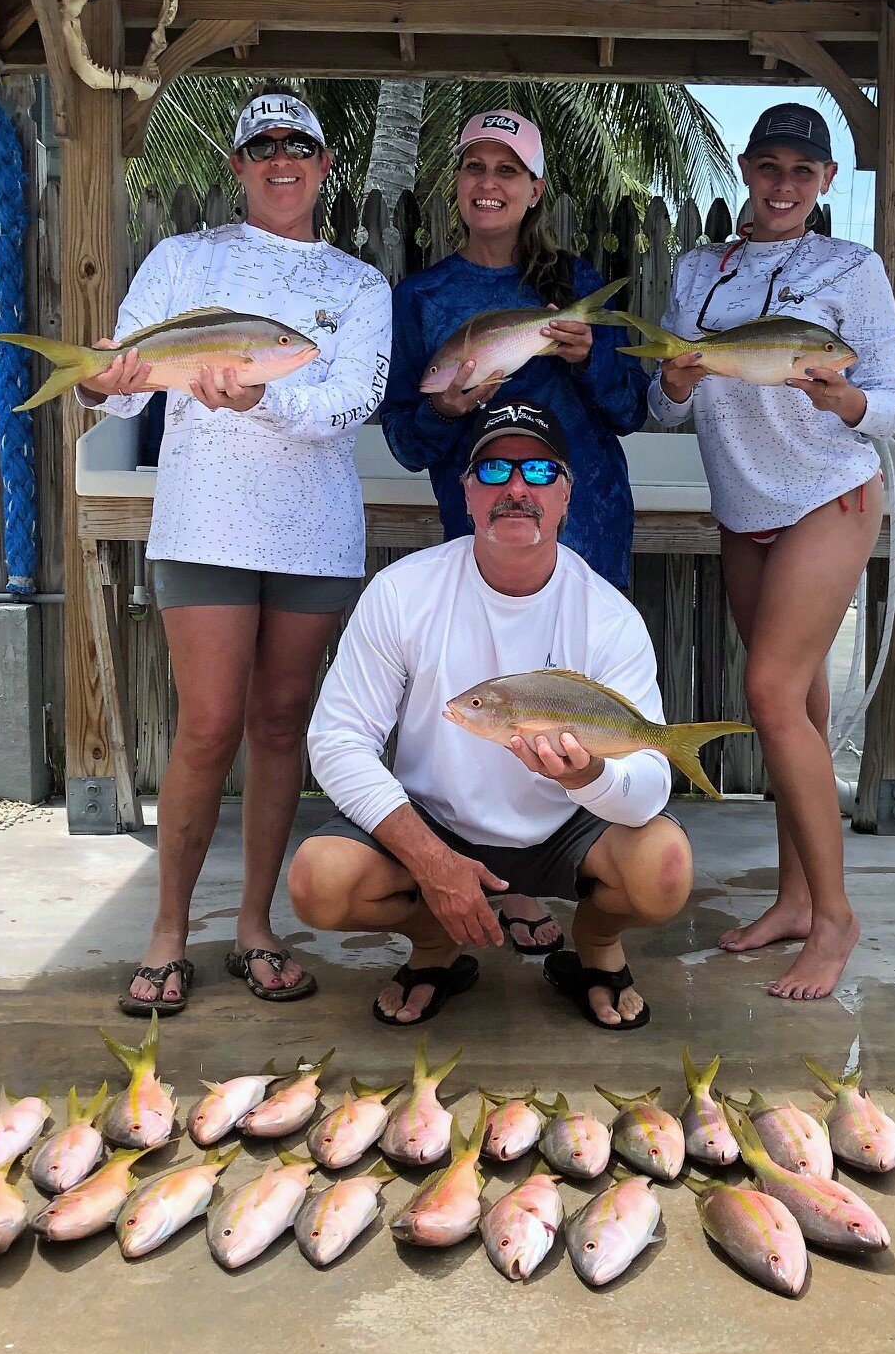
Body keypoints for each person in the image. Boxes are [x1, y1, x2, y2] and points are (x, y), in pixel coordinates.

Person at [76, 90, 392, 1015]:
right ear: (238, 165)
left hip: (314, 531)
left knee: (281, 724)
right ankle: (168, 932)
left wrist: (263, 401)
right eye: (263, 146)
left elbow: (351, 403)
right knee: (208, 725)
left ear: (325, 164)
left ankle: (256, 927)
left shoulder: (358, 285)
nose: (281, 159)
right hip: (204, 522)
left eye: (300, 144)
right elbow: (130, 393)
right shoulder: (183, 260)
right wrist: (105, 376)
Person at [293, 401, 692, 1030]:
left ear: (566, 493)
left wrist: (587, 777)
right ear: (467, 493)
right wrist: (431, 860)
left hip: (568, 828)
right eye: (493, 471)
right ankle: (436, 944)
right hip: (437, 821)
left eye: (537, 472)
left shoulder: (608, 616)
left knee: (664, 867)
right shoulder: (404, 592)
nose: (515, 489)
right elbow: (338, 740)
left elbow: (647, 789)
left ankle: (596, 944)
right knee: (320, 880)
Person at [648, 102, 895, 1001]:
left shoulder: (851, 267)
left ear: (827, 181)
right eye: (769, 167)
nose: (784, 184)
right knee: (791, 702)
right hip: (741, 503)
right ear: (746, 171)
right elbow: (671, 406)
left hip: (824, 495)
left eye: (803, 170)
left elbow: (893, 401)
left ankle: (836, 916)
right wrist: (674, 378)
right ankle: (795, 899)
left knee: (766, 692)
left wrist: (841, 401)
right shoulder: (696, 271)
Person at [378, 108, 650, 958]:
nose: (487, 183)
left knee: (573, 717)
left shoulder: (575, 282)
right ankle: (502, 882)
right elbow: (404, 436)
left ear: (534, 191)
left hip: (589, 526)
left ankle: (567, 886)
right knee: (493, 708)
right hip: (485, 536)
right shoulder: (421, 297)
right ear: (454, 186)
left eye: (507, 169)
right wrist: (444, 408)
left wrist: (586, 356)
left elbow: (630, 409)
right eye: (474, 167)